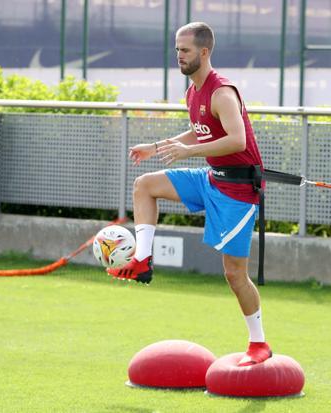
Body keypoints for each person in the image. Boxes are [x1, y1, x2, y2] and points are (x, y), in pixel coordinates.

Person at [107, 22, 272, 366]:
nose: (178, 56)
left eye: (185, 50)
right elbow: (199, 132)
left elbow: (237, 140)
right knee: (145, 186)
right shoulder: (191, 92)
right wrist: (157, 147)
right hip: (211, 178)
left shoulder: (222, 92)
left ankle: (259, 343)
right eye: (177, 50)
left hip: (238, 191)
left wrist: (185, 153)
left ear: (205, 52)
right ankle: (142, 261)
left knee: (234, 274)